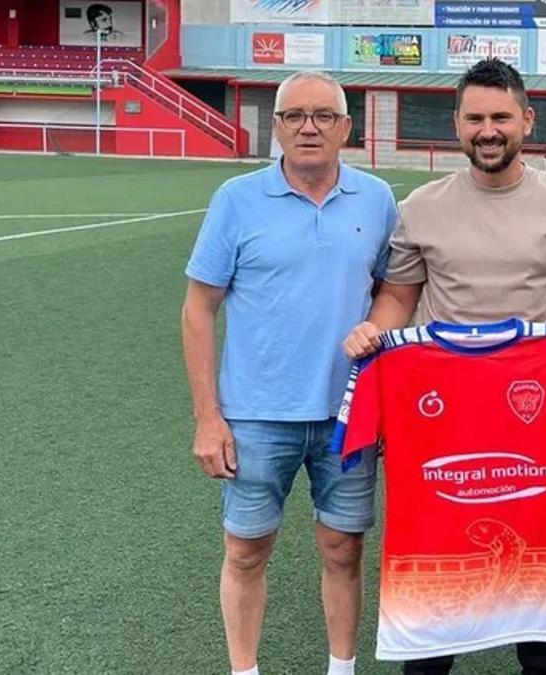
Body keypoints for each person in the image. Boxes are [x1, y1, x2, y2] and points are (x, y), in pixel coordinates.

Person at [343, 58, 546, 674]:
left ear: (527, 119)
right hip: (441, 415)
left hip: (536, 412)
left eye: (500, 117)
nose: (487, 130)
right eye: (475, 118)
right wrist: (373, 331)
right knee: (436, 544)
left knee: (539, 541)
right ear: (457, 125)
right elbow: (397, 299)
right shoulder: (422, 207)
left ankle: (543, 663)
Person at [181, 71, 396, 675]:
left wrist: (375, 328)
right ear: (275, 126)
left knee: (343, 547)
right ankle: (244, 670)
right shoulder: (235, 200)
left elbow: (394, 291)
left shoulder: (377, 200)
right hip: (254, 415)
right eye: (294, 115)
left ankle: (342, 668)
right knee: (246, 551)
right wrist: (208, 417)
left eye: (324, 115)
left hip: (347, 415)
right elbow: (198, 308)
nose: (308, 126)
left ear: (346, 129)